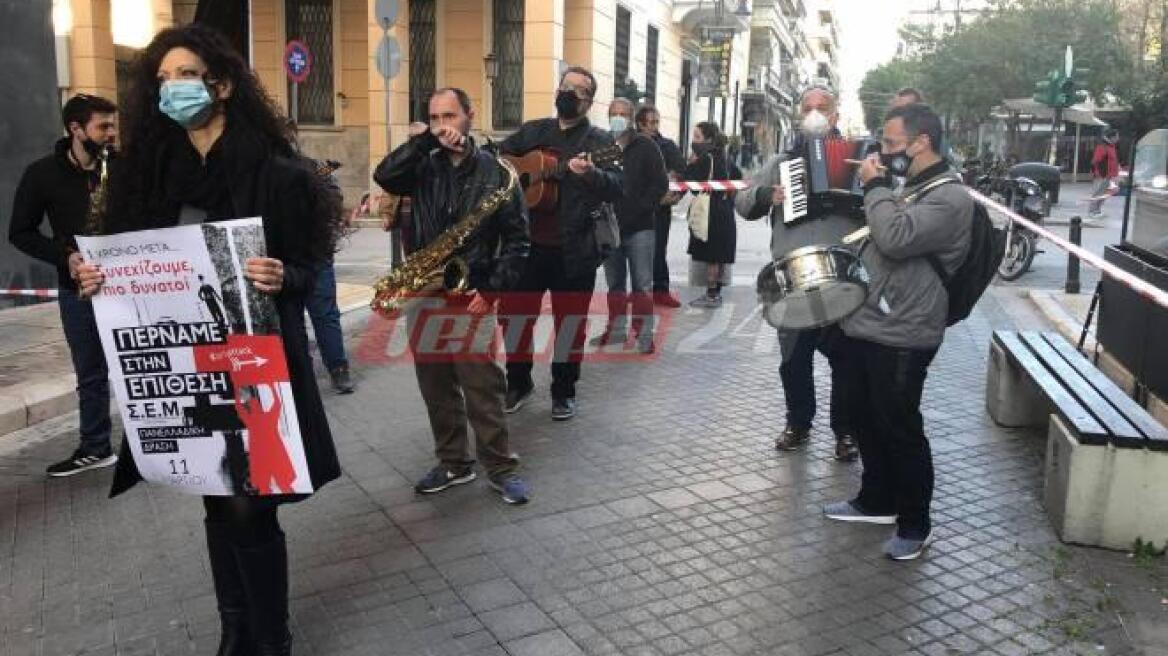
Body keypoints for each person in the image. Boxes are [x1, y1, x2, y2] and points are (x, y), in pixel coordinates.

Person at [81, 24, 344, 655]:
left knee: (253, 505)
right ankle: (235, 629)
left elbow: (310, 267)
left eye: (185, 76)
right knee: (214, 498)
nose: (171, 89)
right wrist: (95, 275)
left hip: (256, 364)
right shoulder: (149, 176)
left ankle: (270, 635)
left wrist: (286, 276)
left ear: (221, 85)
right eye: (162, 79)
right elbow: (129, 266)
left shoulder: (279, 175)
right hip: (187, 365)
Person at [825, 103, 975, 561]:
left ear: (921, 142)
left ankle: (915, 523)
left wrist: (874, 185)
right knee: (865, 415)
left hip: (906, 330)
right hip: (873, 320)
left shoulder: (949, 197)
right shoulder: (914, 186)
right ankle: (877, 499)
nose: (884, 152)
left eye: (891, 144)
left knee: (900, 427)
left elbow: (894, 237)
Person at [373, 87, 532, 504]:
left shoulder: (497, 174)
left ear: (469, 116)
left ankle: (501, 467)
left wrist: (493, 289)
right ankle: (454, 463)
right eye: (435, 117)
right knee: (435, 385)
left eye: (450, 116)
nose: (443, 125)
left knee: (483, 387)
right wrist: (423, 140)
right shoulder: (422, 166)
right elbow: (385, 176)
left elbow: (519, 241)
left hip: (471, 293)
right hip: (425, 289)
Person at [734, 86, 860, 462]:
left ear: (836, 115)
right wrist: (763, 197)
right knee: (793, 361)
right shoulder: (780, 162)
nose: (816, 114)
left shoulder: (858, 160)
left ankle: (846, 431)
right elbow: (742, 202)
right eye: (809, 108)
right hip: (792, 277)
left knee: (847, 362)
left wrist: (867, 192)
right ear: (798, 116)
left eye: (823, 108)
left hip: (841, 276)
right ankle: (798, 423)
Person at [496, 66, 623, 421]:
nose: (568, 93)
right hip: (526, 247)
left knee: (570, 324)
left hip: (576, 249)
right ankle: (518, 382)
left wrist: (592, 173)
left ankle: (564, 391)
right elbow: (500, 161)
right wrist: (518, 178)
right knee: (515, 318)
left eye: (578, 90)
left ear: (588, 101)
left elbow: (617, 185)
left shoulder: (599, 143)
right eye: (565, 87)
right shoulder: (534, 131)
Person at [9, 93, 120, 477]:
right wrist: (65, 256)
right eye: (103, 126)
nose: (111, 133)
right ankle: (96, 446)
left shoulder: (122, 168)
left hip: (129, 286)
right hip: (79, 290)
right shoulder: (41, 174)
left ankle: (155, 444)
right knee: (90, 373)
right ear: (76, 128)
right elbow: (20, 232)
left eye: (112, 125)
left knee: (143, 365)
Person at [592, 98, 668, 353]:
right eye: (613, 113)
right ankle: (616, 332)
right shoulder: (601, 146)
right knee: (615, 284)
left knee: (642, 285)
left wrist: (641, 208)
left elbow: (660, 185)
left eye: (623, 114)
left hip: (640, 229)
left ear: (632, 118)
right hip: (609, 228)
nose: (618, 117)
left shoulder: (646, 146)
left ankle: (644, 335)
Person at [285, 120, 356, 394]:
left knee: (320, 314)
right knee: (308, 316)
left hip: (312, 255)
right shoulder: (312, 169)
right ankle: (328, 372)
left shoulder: (313, 169)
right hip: (298, 256)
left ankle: (336, 369)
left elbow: (334, 206)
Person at [634, 105, 687, 308]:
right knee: (637, 252)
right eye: (652, 122)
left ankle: (661, 290)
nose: (656, 126)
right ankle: (640, 292)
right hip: (636, 208)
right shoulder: (630, 144)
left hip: (659, 210)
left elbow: (684, 173)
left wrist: (675, 196)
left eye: (657, 122)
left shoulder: (667, 146)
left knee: (658, 250)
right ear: (640, 124)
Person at [685, 121, 739, 308]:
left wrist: (691, 165)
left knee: (711, 256)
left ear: (708, 139)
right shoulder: (724, 156)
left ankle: (711, 295)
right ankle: (716, 292)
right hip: (724, 211)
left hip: (710, 212)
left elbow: (691, 184)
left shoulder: (705, 158)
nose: (694, 140)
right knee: (719, 255)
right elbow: (737, 178)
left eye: (697, 137)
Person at [1089, 129, 1119, 220]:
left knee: (1103, 194)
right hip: (1102, 175)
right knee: (1098, 193)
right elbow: (1096, 161)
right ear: (1112, 137)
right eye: (1117, 136)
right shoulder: (1103, 146)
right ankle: (1093, 211)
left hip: (1108, 175)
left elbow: (1113, 161)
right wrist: (1101, 173)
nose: (1118, 138)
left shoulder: (1111, 146)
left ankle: (1097, 210)